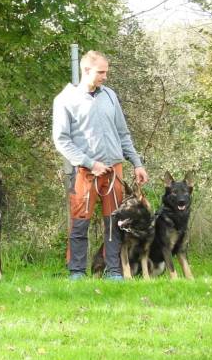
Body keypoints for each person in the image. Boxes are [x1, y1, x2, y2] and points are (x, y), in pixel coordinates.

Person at [52, 50, 149, 280]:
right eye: (101, 72)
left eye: (106, 71)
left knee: (114, 223)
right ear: (86, 70)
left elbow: (123, 133)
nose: (105, 76)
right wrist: (89, 163)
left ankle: (113, 271)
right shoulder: (65, 99)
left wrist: (137, 163)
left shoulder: (110, 96)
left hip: (114, 170)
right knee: (79, 224)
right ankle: (76, 272)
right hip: (84, 172)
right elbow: (61, 140)